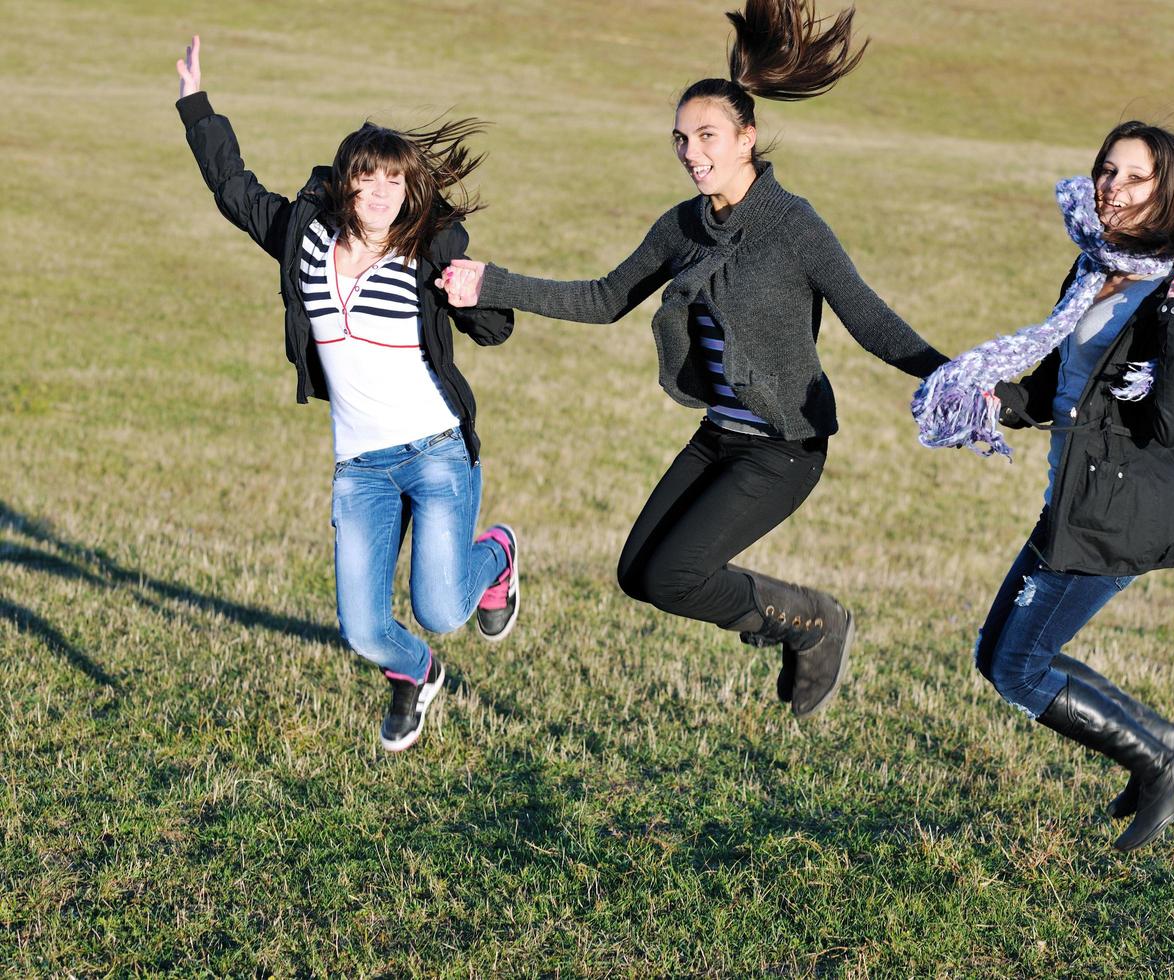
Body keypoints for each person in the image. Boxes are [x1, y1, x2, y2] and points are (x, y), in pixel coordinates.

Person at [440, 0, 948, 717]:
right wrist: (492, 282)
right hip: (719, 438)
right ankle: (786, 620)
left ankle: (812, 621)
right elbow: (603, 297)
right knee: (639, 575)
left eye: (706, 136)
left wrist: (958, 376)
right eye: (680, 139)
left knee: (678, 575)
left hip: (783, 447)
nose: (691, 153)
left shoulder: (794, 226)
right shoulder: (682, 224)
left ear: (747, 137)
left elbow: (870, 321)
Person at [912, 121, 1174, 850]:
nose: (1114, 190)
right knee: (997, 655)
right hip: (1077, 499)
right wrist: (982, 397)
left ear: (1167, 191)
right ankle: (1168, 750)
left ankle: (1163, 762)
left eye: (1135, 179)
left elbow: (1170, 423)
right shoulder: (1093, 268)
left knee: (1017, 666)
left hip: (1123, 510)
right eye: (1107, 171)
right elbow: (1049, 391)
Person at [173, 36, 522, 752]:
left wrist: (472, 295)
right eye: (366, 180)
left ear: (408, 188)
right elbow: (235, 190)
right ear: (345, 184)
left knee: (442, 607)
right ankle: (416, 673)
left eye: (393, 182)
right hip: (361, 465)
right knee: (365, 630)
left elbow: (496, 327)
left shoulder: (429, 250)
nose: (380, 193)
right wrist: (195, 107)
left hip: (435, 453)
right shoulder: (305, 237)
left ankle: (499, 555)